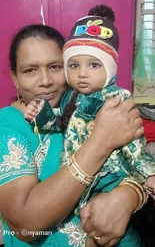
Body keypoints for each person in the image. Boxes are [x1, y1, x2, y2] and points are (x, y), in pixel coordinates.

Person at [0, 24, 145, 247]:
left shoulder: (90, 105)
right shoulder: (7, 123)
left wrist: (130, 195)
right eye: (30, 70)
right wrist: (100, 142)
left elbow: (136, 156)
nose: (45, 80)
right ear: (15, 77)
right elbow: (26, 225)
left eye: (56, 67)